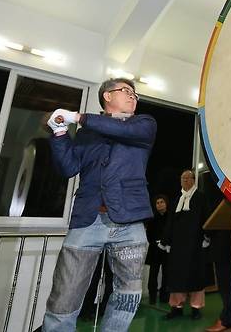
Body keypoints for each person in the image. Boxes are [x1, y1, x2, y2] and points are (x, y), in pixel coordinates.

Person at [42, 78, 157, 331]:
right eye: (126, 91)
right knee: (65, 295)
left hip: (129, 222)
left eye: (135, 93)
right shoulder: (87, 133)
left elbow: (124, 131)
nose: (133, 96)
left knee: (127, 294)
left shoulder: (143, 124)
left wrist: (77, 117)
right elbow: (68, 168)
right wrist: (59, 133)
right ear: (107, 96)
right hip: (88, 220)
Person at [160, 169, 209, 320]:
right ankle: (177, 307)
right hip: (178, 246)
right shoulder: (177, 200)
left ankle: (196, 309)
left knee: (195, 276)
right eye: (183, 178)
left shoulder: (201, 198)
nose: (186, 180)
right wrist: (165, 241)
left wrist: (205, 237)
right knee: (177, 277)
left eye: (188, 178)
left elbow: (206, 218)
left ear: (194, 180)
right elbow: (170, 222)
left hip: (195, 244)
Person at [205, 229, 231, 332]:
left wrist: (206, 232)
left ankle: (228, 320)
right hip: (227, 247)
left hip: (225, 248)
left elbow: (212, 225)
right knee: (229, 285)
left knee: (228, 285)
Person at [145, 195, 169, 304]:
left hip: (167, 250)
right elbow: (149, 235)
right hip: (155, 250)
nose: (160, 204)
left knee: (166, 273)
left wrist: (165, 243)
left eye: (162, 202)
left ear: (166, 203)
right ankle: (152, 297)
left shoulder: (171, 217)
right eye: (157, 203)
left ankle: (165, 296)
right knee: (153, 274)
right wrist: (157, 243)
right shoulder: (152, 218)